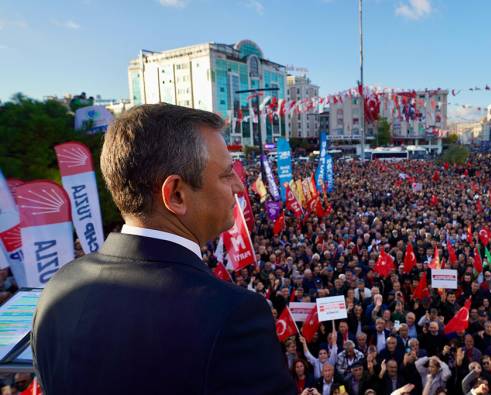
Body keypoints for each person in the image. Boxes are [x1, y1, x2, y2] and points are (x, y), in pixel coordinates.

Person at [31, 104, 294, 394]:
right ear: (176, 194)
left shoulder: (58, 289)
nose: (240, 187)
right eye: (226, 174)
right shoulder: (232, 316)